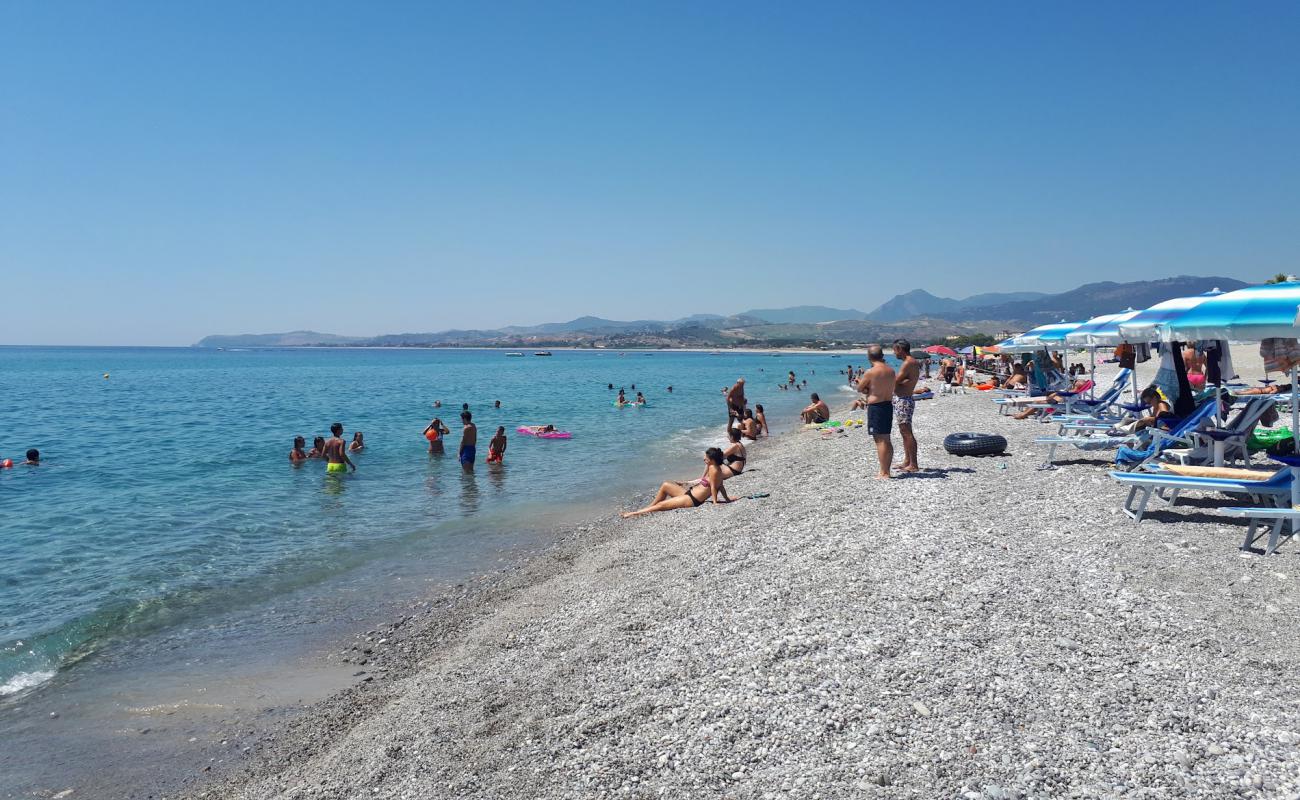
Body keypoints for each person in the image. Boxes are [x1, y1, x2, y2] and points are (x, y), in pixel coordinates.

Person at [621, 448, 731, 517]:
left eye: (706, 458)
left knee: (661, 505)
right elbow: (720, 486)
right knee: (665, 485)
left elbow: (715, 487)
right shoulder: (713, 467)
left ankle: (633, 513)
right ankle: (648, 508)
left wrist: (715, 502)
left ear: (712, 460)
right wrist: (727, 500)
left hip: (692, 500)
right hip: (689, 493)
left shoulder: (714, 470)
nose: (704, 459)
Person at [857, 345, 896, 479]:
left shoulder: (870, 372)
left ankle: (883, 472)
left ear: (869, 357)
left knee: (880, 440)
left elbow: (860, 388)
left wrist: (861, 383)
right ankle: (887, 470)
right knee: (887, 439)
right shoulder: (891, 371)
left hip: (876, 407)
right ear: (882, 355)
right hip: (887, 405)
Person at [892, 339, 921, 473]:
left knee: (906, 432)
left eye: (894, 350)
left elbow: (895, 381)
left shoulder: (908, 363)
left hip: (904, 400)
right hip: (904, 399)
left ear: (900, 349)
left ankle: (913, 464)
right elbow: (900, 381)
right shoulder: (912, 362)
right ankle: (907, 460)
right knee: (904, 432)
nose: (894, 353)